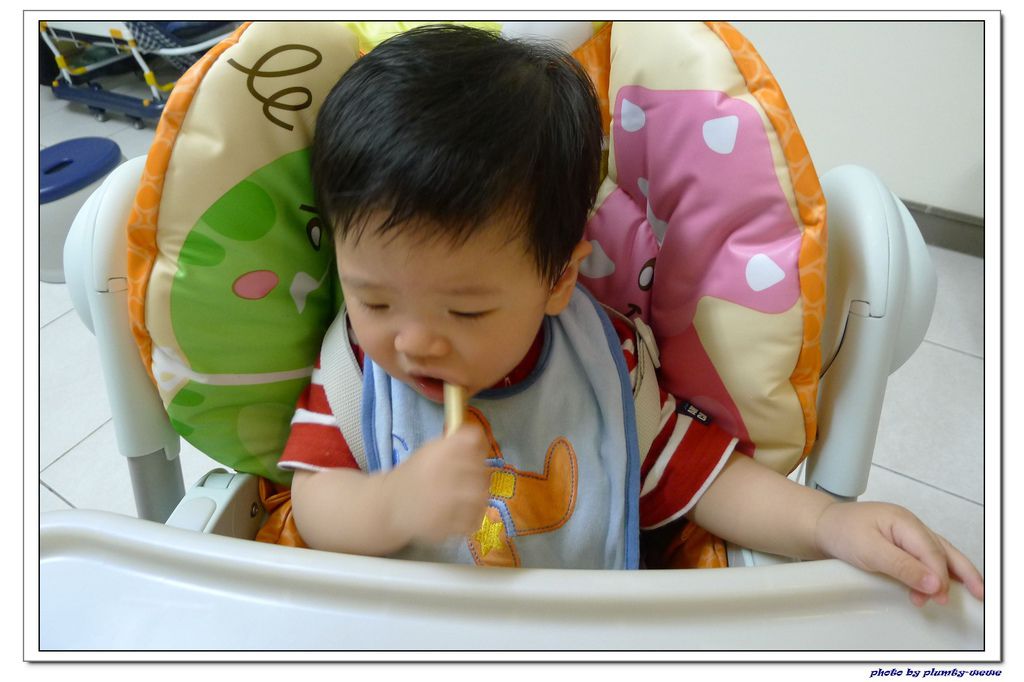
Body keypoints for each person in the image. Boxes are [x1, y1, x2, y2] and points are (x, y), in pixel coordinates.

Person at [275, 24, 982, 606]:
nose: (414, 340)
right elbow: (314, 504)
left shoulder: (602, 366)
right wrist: (394, 505)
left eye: (466, 309)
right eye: (374, 299)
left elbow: (704, 481)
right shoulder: (356, 371)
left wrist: (829, 523)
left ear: (559, 277)